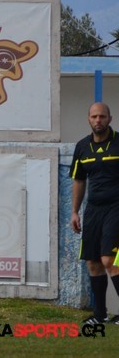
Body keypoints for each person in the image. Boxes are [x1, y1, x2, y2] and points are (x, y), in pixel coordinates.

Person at [70, 101, 119, 326]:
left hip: (116, 207)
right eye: (94, 117)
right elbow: (79, 180)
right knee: (93, 262)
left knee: (110, 259)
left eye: (102, 116)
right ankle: (100, 315)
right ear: (89, 119)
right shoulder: (82, 147)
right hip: (93, 209)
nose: (98, 120)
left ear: (110, 119)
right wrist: (74, 212)